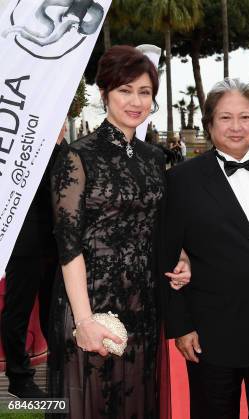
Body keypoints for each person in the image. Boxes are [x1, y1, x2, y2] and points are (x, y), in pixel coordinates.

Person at [48, 45, 190, 418]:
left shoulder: (154, 158)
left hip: (142, 304)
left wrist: (183, 258)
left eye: (144, 92)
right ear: (104, 93)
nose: (135, 101)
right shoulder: (77, 157)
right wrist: (84, 320)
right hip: (90, 300)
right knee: (91, 404)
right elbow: (68, 246)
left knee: (135, 404)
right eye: (125, 90)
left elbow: (161, 227)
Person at [163, 78, 249, 418]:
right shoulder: (182, 180)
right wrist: (180, 327)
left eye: (245, 117)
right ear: (209, 124)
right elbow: (166, 256)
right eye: (225, 118)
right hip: (211, 337)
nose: (236, 127)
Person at [2, 125, 66, 399]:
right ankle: (18, 377)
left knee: (53, 310)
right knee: (18, 308)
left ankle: (61, 369)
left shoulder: (60, 149)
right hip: (24, 242)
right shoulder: (22, 144)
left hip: (55, 240)